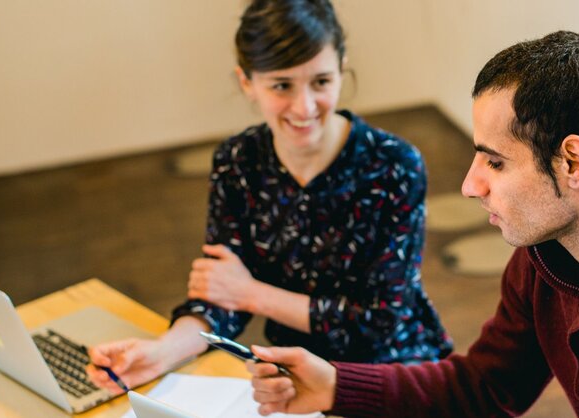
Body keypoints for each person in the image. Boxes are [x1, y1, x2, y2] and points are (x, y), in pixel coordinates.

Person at [244, 31, 579, 417]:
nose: (469, 184)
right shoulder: (550, 256)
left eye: (495, 161)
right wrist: (336, 385)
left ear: (573, 163)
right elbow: (484, 386)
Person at [86, 0, 453, 392]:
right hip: (293, 374)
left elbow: (380, 323)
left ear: (341, 70)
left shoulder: (395, 165)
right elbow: (220, 294)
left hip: (393, 372)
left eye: (322, 82)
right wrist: (161, 352)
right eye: (282, 85)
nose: (305, 106)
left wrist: (253, 294)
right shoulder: (238, 161)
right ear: (247, 83)